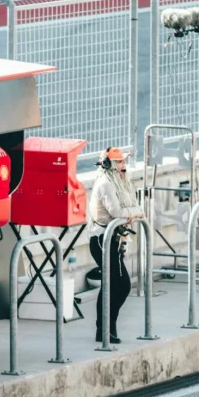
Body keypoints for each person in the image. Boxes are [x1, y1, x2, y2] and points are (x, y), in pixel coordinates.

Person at [88, 147, 144, 344]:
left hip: (114, 239)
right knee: (121, 285)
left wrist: (134, 211)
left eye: (123, 161)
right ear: (108, 165)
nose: (123, 165)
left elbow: (136, 208)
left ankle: (106, 328)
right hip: (103, 240)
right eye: (119, 162)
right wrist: (134, 211)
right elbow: (117, 211)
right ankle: (105, 327)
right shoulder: (105, 184)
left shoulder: (122, 183)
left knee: (113, 285)